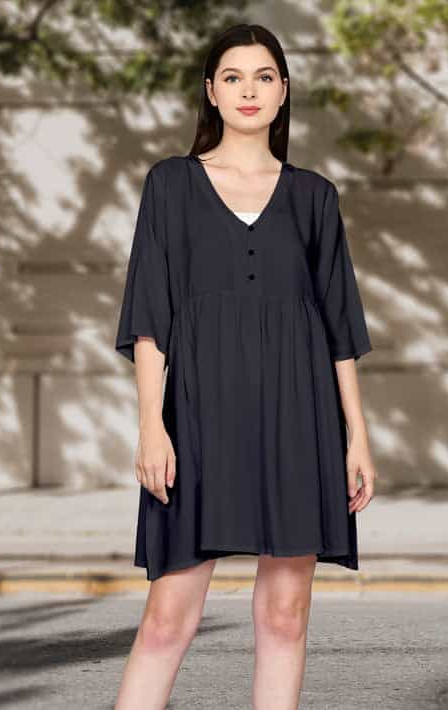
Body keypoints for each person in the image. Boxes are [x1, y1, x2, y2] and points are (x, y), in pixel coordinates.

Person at [113, 23, 378, 710]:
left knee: (286, 617)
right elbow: (150, 317)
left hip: (300, 422)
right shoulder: (171, 184)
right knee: (167, 618)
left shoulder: (315, 196)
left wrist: (357, 436)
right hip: (197, 421)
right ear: (211, 91)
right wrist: (151, 425)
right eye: (233, 77)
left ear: (284, 91)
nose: (249, 91)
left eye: (264, 77)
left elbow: (339, 328)